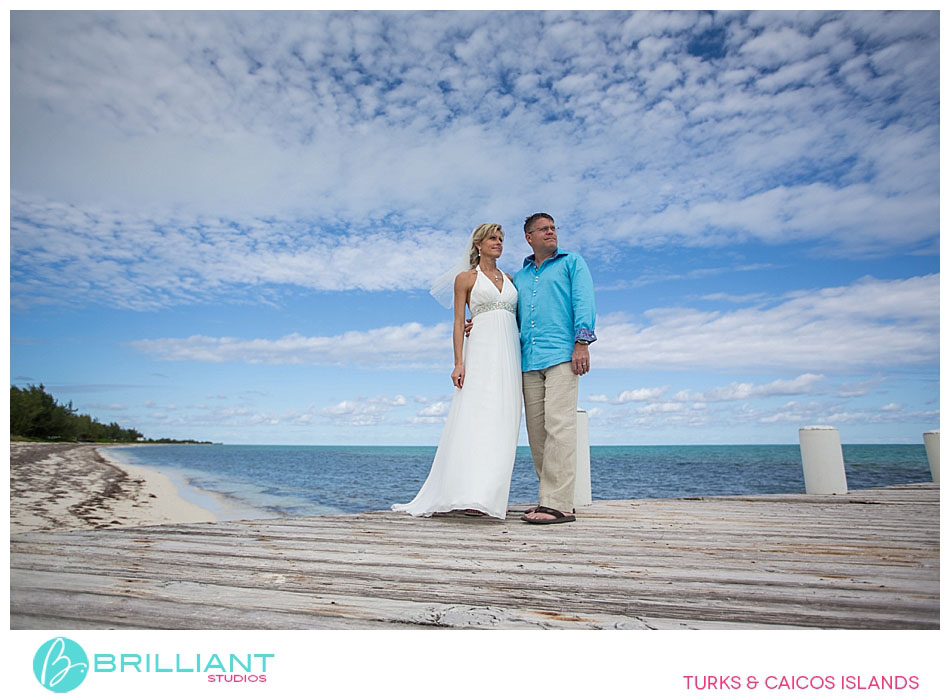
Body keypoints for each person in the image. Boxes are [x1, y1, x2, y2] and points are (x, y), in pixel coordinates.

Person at [392, 224, 522, 519]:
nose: (498, 243)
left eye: (501, 239)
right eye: (493, 238)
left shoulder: (512, 279)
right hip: (480, 353)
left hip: (510, 355)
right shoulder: (465, 279)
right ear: (478, 244)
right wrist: (459, 362)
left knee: (504, 419)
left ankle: (490, 495)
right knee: (475, 417)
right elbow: (457, 322)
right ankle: (468, 495)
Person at [514, 213, 596, 524]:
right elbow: (511, 316)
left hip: (562, 355)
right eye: (543, 229)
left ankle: (559, 504)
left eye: (553, 228)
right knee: (538, 433)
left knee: (560, 427)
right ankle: (548, 499)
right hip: (528, 361)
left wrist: (582, 343)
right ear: (529, 237)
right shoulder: (520, 277)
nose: (551, 233)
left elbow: (584, 301)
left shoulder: (572, 262)